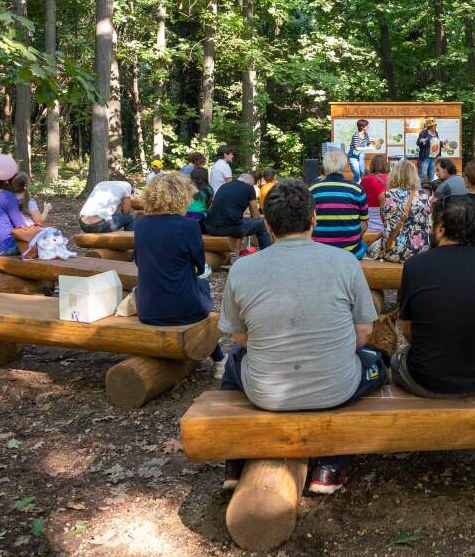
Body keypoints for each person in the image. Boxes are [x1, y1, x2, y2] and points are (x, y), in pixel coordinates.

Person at [218, 178, 384, 493]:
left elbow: (238, 337)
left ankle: (235, 460)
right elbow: (364, 330)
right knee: (376, 363)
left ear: (267, 224)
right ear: (313, 219)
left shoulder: (242, 268)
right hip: (336, 387)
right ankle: (331, 466)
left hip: (265, 391)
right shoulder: (345, 262)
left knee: (234, 361)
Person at [392, 195, 475, 397]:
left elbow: (408, 330)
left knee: (395, 359)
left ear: (440, 228)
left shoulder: (416, 265)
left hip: (427, 379)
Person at [134, 173, 224, 378]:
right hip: (185, 309)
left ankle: (218, 358)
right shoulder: (189, 226)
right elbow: (200, 268)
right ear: (182, 196)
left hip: (148, 309)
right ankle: (218, 359)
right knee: (204, 287)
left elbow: (140, 262)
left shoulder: (140, 224)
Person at [365, 160, 432, 262]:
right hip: (420, 250)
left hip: (393, 250)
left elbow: (386, 224)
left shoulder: (385, 195)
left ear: (394, 175)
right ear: (414, 176)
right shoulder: (423, 195)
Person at [311, 149, 368, 256]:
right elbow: (363, 225)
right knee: (364, 246)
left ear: (325, 167)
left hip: (319, 252)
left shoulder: (313, 190)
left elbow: (308, 224)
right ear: (345, 166)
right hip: (351, 253)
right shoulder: (357, 190)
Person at [205, 173, 272, 249]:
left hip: (210, 227)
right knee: (261, 223)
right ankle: (267, 253)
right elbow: (255, 216)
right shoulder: (249, 188)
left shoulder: (224, 186)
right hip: (227, 229)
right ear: (251, 182)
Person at [360, 156, 390, 232]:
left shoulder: (367, 179)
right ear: (386, 165)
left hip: (369, 222)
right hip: (388, 219)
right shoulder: (393, 179)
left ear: (372, 165)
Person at [416, 118, 440, 185]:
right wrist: (421, 141)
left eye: (435, 125)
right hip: (425, 158)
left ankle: (431, 189)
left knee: (431, 175)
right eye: (434, 125)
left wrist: (442, 144)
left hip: (433, 157)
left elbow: (435, 143)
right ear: (430, 126)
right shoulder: (424, 133)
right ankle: (418, 189)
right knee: (422, 174)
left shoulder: (436, 133)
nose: (435, 126)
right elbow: (418, 142)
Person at [347, 119, 372, 184]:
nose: (368, 127)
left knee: (363, 173)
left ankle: (363, 188)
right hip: (353, 157)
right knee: (357, 174)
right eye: (367, 126)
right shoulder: (355, 135)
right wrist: (367, 147)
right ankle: (355, 189)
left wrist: (374, 145)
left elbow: (368, 143)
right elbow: (357, 148)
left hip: (361, 156)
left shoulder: (366, 135)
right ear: (362, 127)